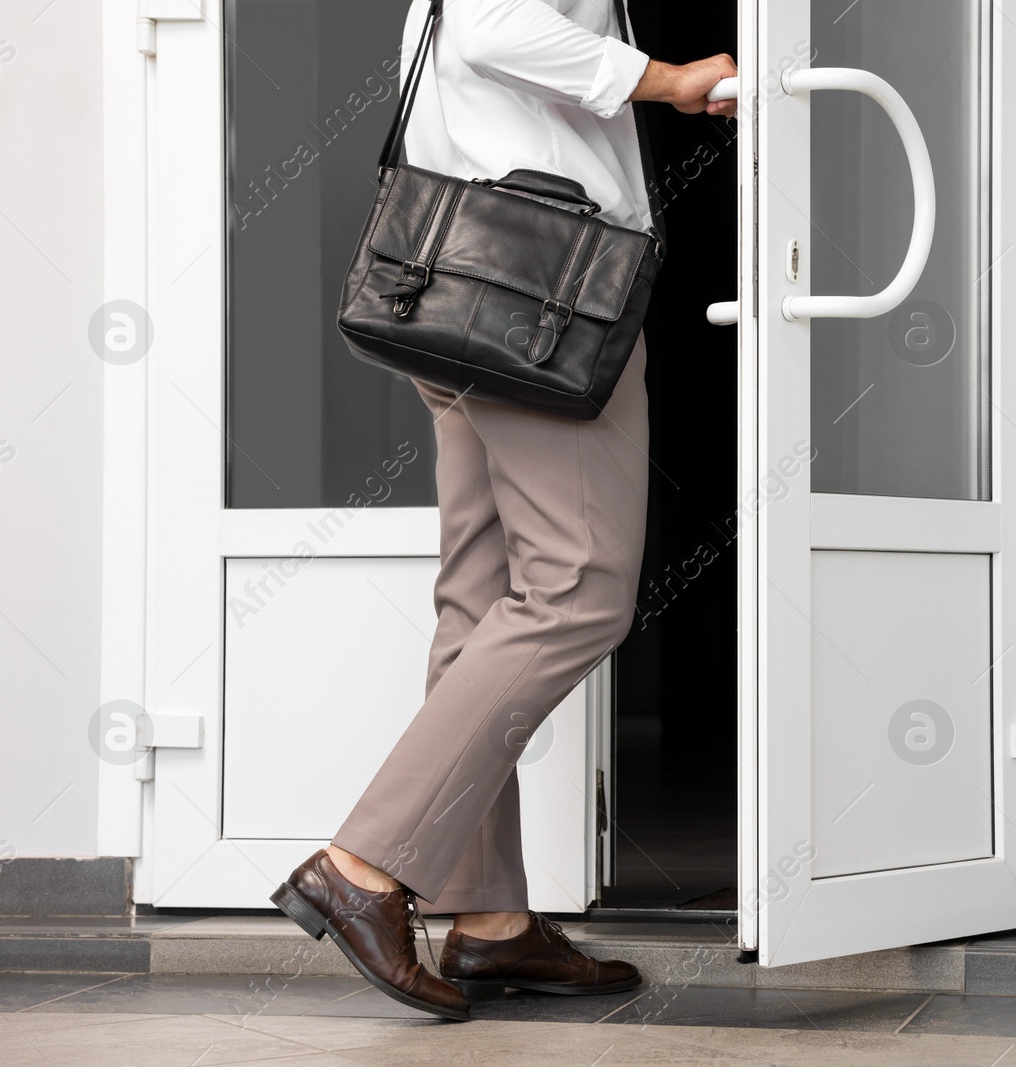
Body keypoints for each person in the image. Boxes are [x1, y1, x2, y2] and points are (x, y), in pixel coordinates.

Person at [268, 0, 736, 1022]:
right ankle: (363, 864)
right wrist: (667, 78)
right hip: (544, 291)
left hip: (460, 278)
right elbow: (488, 27)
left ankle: (487, 919)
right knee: (578, 588)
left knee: (481, 603)